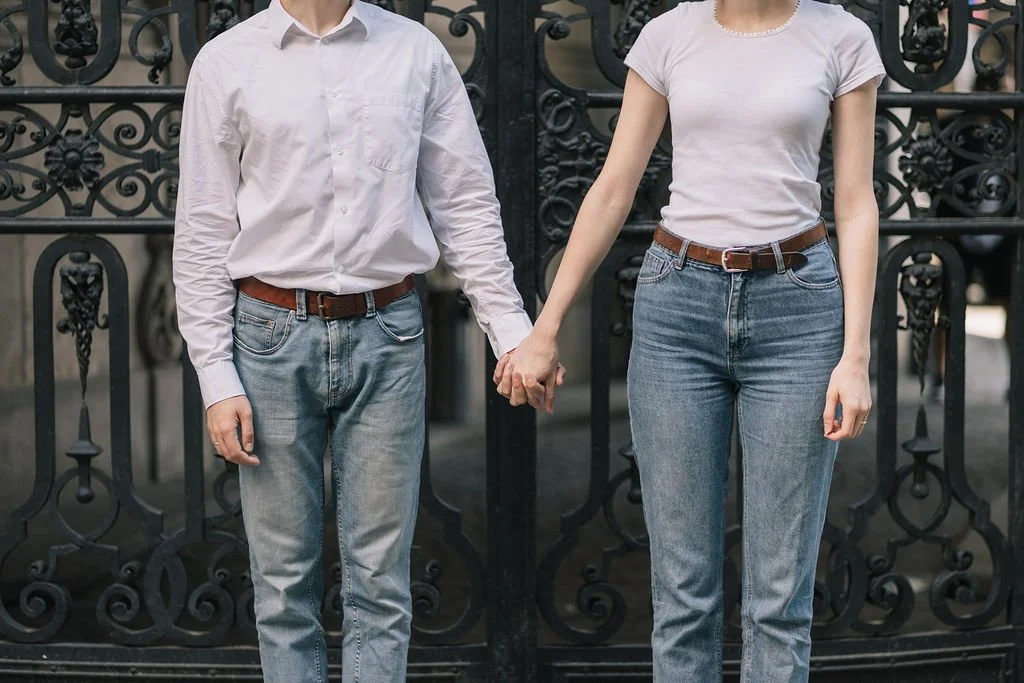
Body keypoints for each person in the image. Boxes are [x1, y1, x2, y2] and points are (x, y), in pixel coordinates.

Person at [496, 0, 884, 679]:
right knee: (682, 597)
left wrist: (856, 355)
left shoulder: (842, 37)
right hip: (680, 305)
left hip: (797, 308)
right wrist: (546, 324)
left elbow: (854, 201)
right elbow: (615, 186)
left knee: (778, 601)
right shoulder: (669, 34)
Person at [172, 1, 560, 680]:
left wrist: (512, 332)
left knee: (380, 581)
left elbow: (463, 201)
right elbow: (203, 227)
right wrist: (215, 374)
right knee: (283, 582)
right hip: (268, 336)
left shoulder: (415, 53)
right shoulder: (228, 61)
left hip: (389, 332)